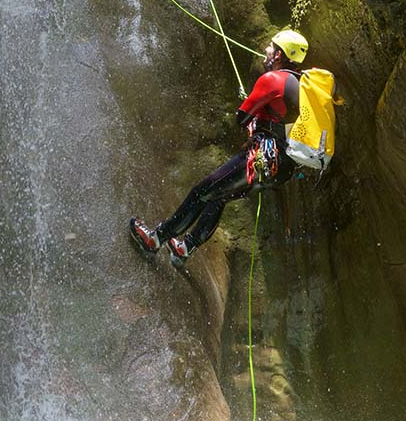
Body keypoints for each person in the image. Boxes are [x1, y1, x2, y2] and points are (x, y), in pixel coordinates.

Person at [130, 29, 308, 267]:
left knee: (201, 191)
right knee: (218, 197)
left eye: (271, 46)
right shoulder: (301, 86)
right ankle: (186, 247)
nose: (266, 50)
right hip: (281, 168)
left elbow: (241, 118)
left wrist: (251, 112)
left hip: (261, 158)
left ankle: (156, 239)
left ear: (278, 54)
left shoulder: (272, 80)